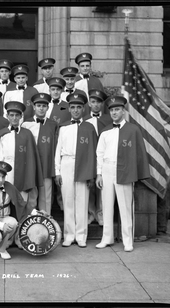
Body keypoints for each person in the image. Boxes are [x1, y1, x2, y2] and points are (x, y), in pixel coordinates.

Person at [95, 96, 150, 252]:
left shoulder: (133, 130)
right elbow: (99, 152)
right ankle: (107, 238)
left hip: (124, 170)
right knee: (106, 205)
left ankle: (127, 240)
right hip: (106, 169)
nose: (114, 112)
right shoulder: (105, 130)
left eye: (117, 109)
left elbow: (139, 153)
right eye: (112, 110)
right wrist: (99, 174)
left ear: (124, 111)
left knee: (125, 206)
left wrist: (135, 173)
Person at [54, 93, 97, 248]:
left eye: (79, 107)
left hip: (83, 164)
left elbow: (93, 151)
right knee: (68, 201)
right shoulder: (63, 127)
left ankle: (81, 235)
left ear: (83, 108)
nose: (76, 110)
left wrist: (91, 173)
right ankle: (68, 235)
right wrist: (57, 171)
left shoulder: (89, 127)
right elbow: (57, 150)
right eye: (73, 107)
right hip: (66, 163)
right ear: (69, 109)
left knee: (82, 200)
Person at [0, 101, 43, 211]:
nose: (14, 118)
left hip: (23, 171)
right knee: (6, 199)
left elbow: (31, 157)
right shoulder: (2, 134)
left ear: (21, 116)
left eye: (17, 115)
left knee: (22, 200)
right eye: (11, 115)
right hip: (7, 171)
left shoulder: (27, 134)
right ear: (7, 116)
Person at [22, 93, 58, 214]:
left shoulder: (53, 125)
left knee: (46, 198)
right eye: (38, 105)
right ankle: (29, 223)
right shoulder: (26, 124)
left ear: (48, 107)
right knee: (31, 197)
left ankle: (46, 223)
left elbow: (56, 146)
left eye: (44, 105)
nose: (41, 108)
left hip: (46, 165)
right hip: (30, 166)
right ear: (33, 106)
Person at [83, 89, 112, 226]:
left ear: (102, 104)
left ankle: (100, 213)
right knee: (89, 185)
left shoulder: (108, 119)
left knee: (101, 185)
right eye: (93, 102)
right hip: (88, 156)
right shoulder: (84, 120)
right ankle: (90, 213)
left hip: (103, 157)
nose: (95, 105)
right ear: (89, 103)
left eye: (99, 102)